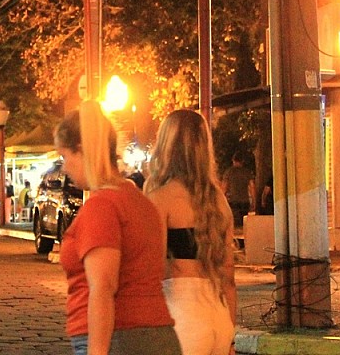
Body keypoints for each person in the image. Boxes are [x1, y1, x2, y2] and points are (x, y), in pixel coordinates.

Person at [54, 101, 179, 355]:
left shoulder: (102, 206)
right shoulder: (140, 202)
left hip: (119, 336)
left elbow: (102, 288)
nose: (64, 167)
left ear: (82, 150)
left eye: (64, 156)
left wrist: (97, 351)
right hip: (156, 331)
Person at [145, 109, 237, 355]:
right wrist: (230, 337)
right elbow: (228, 276)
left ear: (165, 145)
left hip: (180, 316)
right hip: (218, 317)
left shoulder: (160, 200)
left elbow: (151, 273)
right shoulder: (219, 202)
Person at [222, 151, 254, 231]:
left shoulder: (228, 172)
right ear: (242, 161)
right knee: (244, 225)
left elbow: (224, 188)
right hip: (245, 201)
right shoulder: (247, 172)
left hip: (233, 201)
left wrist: (222, 200)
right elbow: (252, 187)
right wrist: (254, 201)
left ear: (233, 160)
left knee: (234, 225)